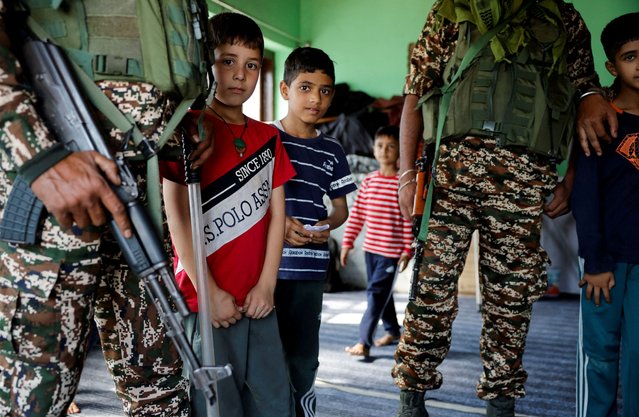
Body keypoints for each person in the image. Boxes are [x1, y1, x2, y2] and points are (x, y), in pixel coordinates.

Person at [392, 1, 616, 416]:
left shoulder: (561, 17)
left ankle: (501, 403)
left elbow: (585, 100)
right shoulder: (451, 10)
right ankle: (412, 399)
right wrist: (406, 176)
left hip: (523, 180)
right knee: (431, 291)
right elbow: (415, 93)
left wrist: (570, 180)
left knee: (510, 302)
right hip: (450, 176)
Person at [0, 1, 214, 415]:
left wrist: (183, 115)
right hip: (56, 193)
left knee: (162, 394)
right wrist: (39, 155)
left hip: (141, 198)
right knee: (33, 394)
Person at [161, 12, 296, 417]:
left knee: (272, 401)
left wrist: (268, 284)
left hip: (258, 298)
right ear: (207, 63)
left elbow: (277, 215)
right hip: (205, 299)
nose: (240, 75)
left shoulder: (269, 137)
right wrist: (209, 290)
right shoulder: (187, 128)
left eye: (251, 65)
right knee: (215, 405)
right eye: (228, 61)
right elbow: (176, 214)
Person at [273, 46, 357, 417]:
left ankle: (302, 411)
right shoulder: (265, 140)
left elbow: (340, 209)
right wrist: (280, 225)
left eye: (324, 90)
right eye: (305, 87)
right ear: (284, 90)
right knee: (266, 353)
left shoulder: (333, 150)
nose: (315, 99)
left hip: (310, 268)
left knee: (304, 353)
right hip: (268, 269)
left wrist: (327, 225)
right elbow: (256, 203)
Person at [573, 12, 639, 417]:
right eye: (632, 56)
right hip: (605, 263)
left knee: (638, 355)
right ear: (612, 67)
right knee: (599, 355)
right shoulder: (602, 120)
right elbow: (585, 195)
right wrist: (595, 260)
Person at [340, 125, 412, 358]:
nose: (385, 150)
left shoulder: (401, 184)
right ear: (373, 149)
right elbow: (358, 214)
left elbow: (407, 220)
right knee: (382, 294)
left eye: (391, 146)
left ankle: (363, 341)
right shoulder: (369, 181)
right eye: (380, 145)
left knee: (375, 294)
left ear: (399, 151)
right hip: (370, 250)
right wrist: (347, 243)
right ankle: (392, 330)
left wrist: (406, 249)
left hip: (390, 253)